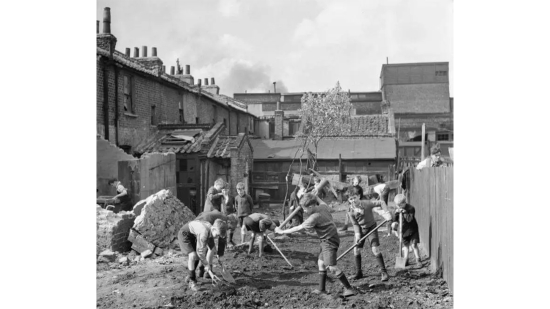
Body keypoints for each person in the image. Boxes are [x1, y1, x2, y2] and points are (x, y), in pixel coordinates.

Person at [275, 193, 356, 297]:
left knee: (332, 267)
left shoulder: (314, 217)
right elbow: (320, 200)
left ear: (311, 206)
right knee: (321, 263)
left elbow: (298, 228)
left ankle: (349, 288)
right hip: (327, 239)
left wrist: (281, 231)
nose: (304, 211)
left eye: (305, 209)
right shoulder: (323, 206)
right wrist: (314, 195)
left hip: (329, 241)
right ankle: (322, 289)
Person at [345, 186, 392, 281]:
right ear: (348, 200)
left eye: (354, 197)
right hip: (361, 229)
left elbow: (382, 202)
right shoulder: (350, 211)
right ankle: (359, 272)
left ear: (359, 196)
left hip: (371, 228)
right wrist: (358, 235)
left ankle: (384, 272)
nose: (353, 200)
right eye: (350, 199)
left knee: (375, 249)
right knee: (356, 250)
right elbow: (355, 224)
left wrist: (386, 212)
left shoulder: (367, 203)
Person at [177, 218, 227, 292]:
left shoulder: (210, 230)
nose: (217, 237)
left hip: (193, 236)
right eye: (217, 235)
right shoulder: (204, 232)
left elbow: (211, 247)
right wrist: (206, 265)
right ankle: (192, 281)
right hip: (184, 234)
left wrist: (217, 256)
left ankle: (190, 275)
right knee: (193, 255)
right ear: (213, 229)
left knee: (197, 256)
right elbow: (200, 251)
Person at [391, 194, 421, 266]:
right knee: (406, 246)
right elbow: (394, 219)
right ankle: (406, 260)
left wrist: (405, 212)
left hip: (412, 229)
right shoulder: (397, 209)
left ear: (404, 203)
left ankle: (418, 259)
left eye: (400, 205)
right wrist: (396, 214)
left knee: (414, 245)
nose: (399, 207)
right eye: (398, 205)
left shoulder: (411, 208)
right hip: (403, 231)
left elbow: (409, 219)